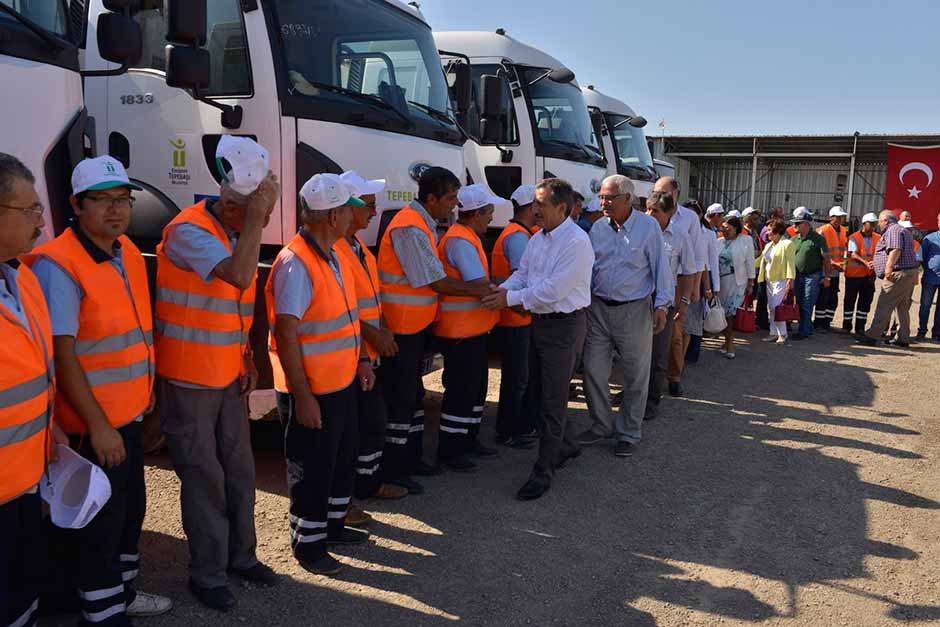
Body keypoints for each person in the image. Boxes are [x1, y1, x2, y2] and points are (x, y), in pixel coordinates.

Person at [28, 156, 172, 623]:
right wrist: (98, 424)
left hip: (126, 417)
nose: (116, 210)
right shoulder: (59, 265)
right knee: (98, 528)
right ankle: (104, 613)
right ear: (76, 205)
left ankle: (120, 594)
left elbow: (130, 331)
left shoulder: (125, 250)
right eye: (103, 201)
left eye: (123, 199)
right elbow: (62, 355)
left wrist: (145, 394)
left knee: (128, 515)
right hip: (95, 431)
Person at [155, 136, 279, 611]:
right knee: (203, 475)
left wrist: (246, 356)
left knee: (239, 470)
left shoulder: (234, 227)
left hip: (226, 374)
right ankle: (206, 573)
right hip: (189, 379)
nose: (264, 223)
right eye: (257, 214)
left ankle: (241, 557)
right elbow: (240, 277)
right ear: (230, 204)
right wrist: (253, 222)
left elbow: (234, 307)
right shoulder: (189, 231)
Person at [267, 173, 374, 576]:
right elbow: (287, 334)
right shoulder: (297, 262)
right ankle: (308, 545)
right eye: (349, 208)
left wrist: (361, 359)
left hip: (340, 382)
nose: (355, 215)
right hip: (312, 389)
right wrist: (304, 396)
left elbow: (346, 318)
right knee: (311, 468)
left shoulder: (332, 254)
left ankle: (331, 527)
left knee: (339, 459)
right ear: (332, 216)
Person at [377, 167, 491, 494]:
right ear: (431, 199)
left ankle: (410, 461)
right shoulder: (410, 228)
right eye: (451, 198)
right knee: (401, 400)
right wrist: (481, 291)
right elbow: (435, 280)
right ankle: (395, 468)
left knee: (412, 396)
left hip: (413, 326)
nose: (455, 206)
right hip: (400, 327)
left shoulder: (422, 225)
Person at [482, 178, 594, 500]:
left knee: (553, 400)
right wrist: (506, 290)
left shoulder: (576, 242)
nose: (535, 210)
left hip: (564, 327)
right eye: (534, 204)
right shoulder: (539, 237)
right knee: (540, 390)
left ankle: (543, 471)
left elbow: (553, 291)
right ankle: (567, 445)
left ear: (563, 208)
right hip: (540, 323)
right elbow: (525, 274)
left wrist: (510, 300)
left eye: (541, 205)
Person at [0, 153, 63, 627]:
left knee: (23, 594)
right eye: (29, 210)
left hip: (24, 480)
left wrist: (50, 431)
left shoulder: (21, 277)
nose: (42, 219)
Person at [577, 174, 670, 457]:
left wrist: (662, 305)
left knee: (636, 375)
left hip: (634, 310)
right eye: (602, 197)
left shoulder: (648, 226)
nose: (603, 203)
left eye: (609, 198)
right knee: (593, 369)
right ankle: (601, 425)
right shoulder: (598, 229)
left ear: (627, 199)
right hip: (598, 309)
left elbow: (660, 267)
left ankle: (628, 432)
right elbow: (589, 267)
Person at [335, 172, 408, 524]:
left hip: (367, 352)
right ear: (347, 209)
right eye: (368, 207)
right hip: (346, 354)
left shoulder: (360, 249)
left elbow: (370, 299)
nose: (373, 214)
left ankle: (366, 485)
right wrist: (374, 336)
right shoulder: (334, 250)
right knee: (349, 431)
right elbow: (341, 308)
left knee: (372, 423)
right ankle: (343, 499)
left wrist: (384, 329)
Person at [432, 184, 501, 472]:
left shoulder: (466, 236)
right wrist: (505, 291)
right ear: (476, 214)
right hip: (460, 331)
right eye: (489, 213)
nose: (491, 218)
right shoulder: (461, 241)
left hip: (470, 329)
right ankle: (451, 449)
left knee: (474, 388)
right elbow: (477, 284)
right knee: (461, 390)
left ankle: (468, 439)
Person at [492, 184, 538, 449]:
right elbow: (523, 280)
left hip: (514, 317)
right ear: (532, 207)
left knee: (517, 377)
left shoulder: (518, 233)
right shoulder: (518, 237)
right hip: (515, 318)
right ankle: (510, 431)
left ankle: (512, 427)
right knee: (517, 379)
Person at [643, 191, 695, 421]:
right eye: (647, 209)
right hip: (637, 300)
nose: (649, 214)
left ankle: (651, 400)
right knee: (635, 353)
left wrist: (683, 302)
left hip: (663, 302)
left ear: (670, 213)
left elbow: (688, 272)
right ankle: (633, 393)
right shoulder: (640, 232)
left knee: (657, 353)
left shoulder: (681, 236)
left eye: (655, 211)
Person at [652, 177, 706, 397]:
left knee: (674, 335)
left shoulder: (689, 219)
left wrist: (692, 290)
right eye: (656, 191)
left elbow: (696, 257)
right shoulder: (648, 219)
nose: (660, 195)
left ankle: (674, 377)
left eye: (664, 191)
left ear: (676, 193)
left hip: (675, 286)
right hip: (647, 288)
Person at [858, 211, 920, 347]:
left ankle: (872, 335)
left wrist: (888, 268)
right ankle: (903, 338)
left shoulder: (893, 230)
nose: (878, 225)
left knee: (884, 304)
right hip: (907, 273)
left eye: (879, 221)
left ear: (886, 221)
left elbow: (895, 250)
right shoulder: (901, 230)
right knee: (902, 307)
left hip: (898, 274)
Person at [682, 200, 719, 365]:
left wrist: (713, 288)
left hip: (702, 278)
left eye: (694, 213)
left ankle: (691, 354)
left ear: (700, 215)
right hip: (682, 278)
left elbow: (712, 262)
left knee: (695, 319)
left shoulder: (709, 234)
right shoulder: (679, 231)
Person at [717, 216, 756, 358]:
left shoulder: (745, 240)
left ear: (736, 229)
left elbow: (750, 262)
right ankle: (726, 342)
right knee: (723, 314)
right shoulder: (719, 242)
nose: (725, 231)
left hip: (737, 282)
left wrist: (751, 283)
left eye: (728, 229)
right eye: (723, 229)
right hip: (721, 284)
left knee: (732, 315)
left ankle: (730, 344)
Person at [790, 207, 830, 341]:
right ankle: (805, 327)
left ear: (806, 224)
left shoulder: (818, 239)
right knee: (800, 303)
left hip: (812, 276)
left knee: (807, 303)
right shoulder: (794, 239)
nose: (794, 226)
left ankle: (804, 331)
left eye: (797, 223)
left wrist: (827, 276)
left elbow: (826, 259)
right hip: (798, 276)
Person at [757, 219, 796, 344]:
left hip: (781, 280)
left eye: (769, 230)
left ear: (777, 231)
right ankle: (773, 333)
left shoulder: (787, 244)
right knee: (772, 308)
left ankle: (782, 334)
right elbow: (760, 260)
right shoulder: (769, 245)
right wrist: (745, 263)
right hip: (769, 280)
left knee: (777, 307)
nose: (767, 233)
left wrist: (790, 280)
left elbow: (790, 263)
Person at [842, 212, 880, 336]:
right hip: (854, 275)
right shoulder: (854, 237)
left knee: (864, 303)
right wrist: (866, 263)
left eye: (875, 224)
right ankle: (846, 327)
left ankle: (860, 328)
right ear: (864, 224)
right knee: (849, 301)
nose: (874, 226)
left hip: (869, 276)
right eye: (872, 223)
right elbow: (852, 253)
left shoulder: (878, 238)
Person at [814, 206, 848, 331]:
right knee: (822, 297)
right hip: (825, 270)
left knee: (832, 298)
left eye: (841, 217)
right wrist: (834, 263)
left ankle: (827, 322)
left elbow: (843, 250)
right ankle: (819, 322)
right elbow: (818, 252)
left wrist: (842, 264)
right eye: (837, 217)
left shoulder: (844, 231)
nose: (839, 219)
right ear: (831, 217)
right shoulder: (822, 231)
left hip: (836, 271)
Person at [916, 211, 940, 340]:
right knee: (925, 306)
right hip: (930, 279)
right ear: (938, 222)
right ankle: (921, 331)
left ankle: (937, 333)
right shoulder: (929, 239)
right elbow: (921, 258)